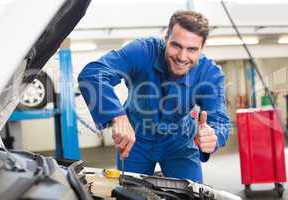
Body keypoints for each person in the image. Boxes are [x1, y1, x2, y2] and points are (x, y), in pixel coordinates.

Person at [78, 10, 230, 183]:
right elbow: (92, 74)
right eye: (176, 46)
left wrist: (214, 136)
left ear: (202, 48)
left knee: (191, 194)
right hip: (136, 140)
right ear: (166, 39)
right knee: (130, 193)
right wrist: (117, 117)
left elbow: (221, 121)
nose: (182, 56)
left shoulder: (210, 73)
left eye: (192, 49)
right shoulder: (142, 51)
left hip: (179, 143)